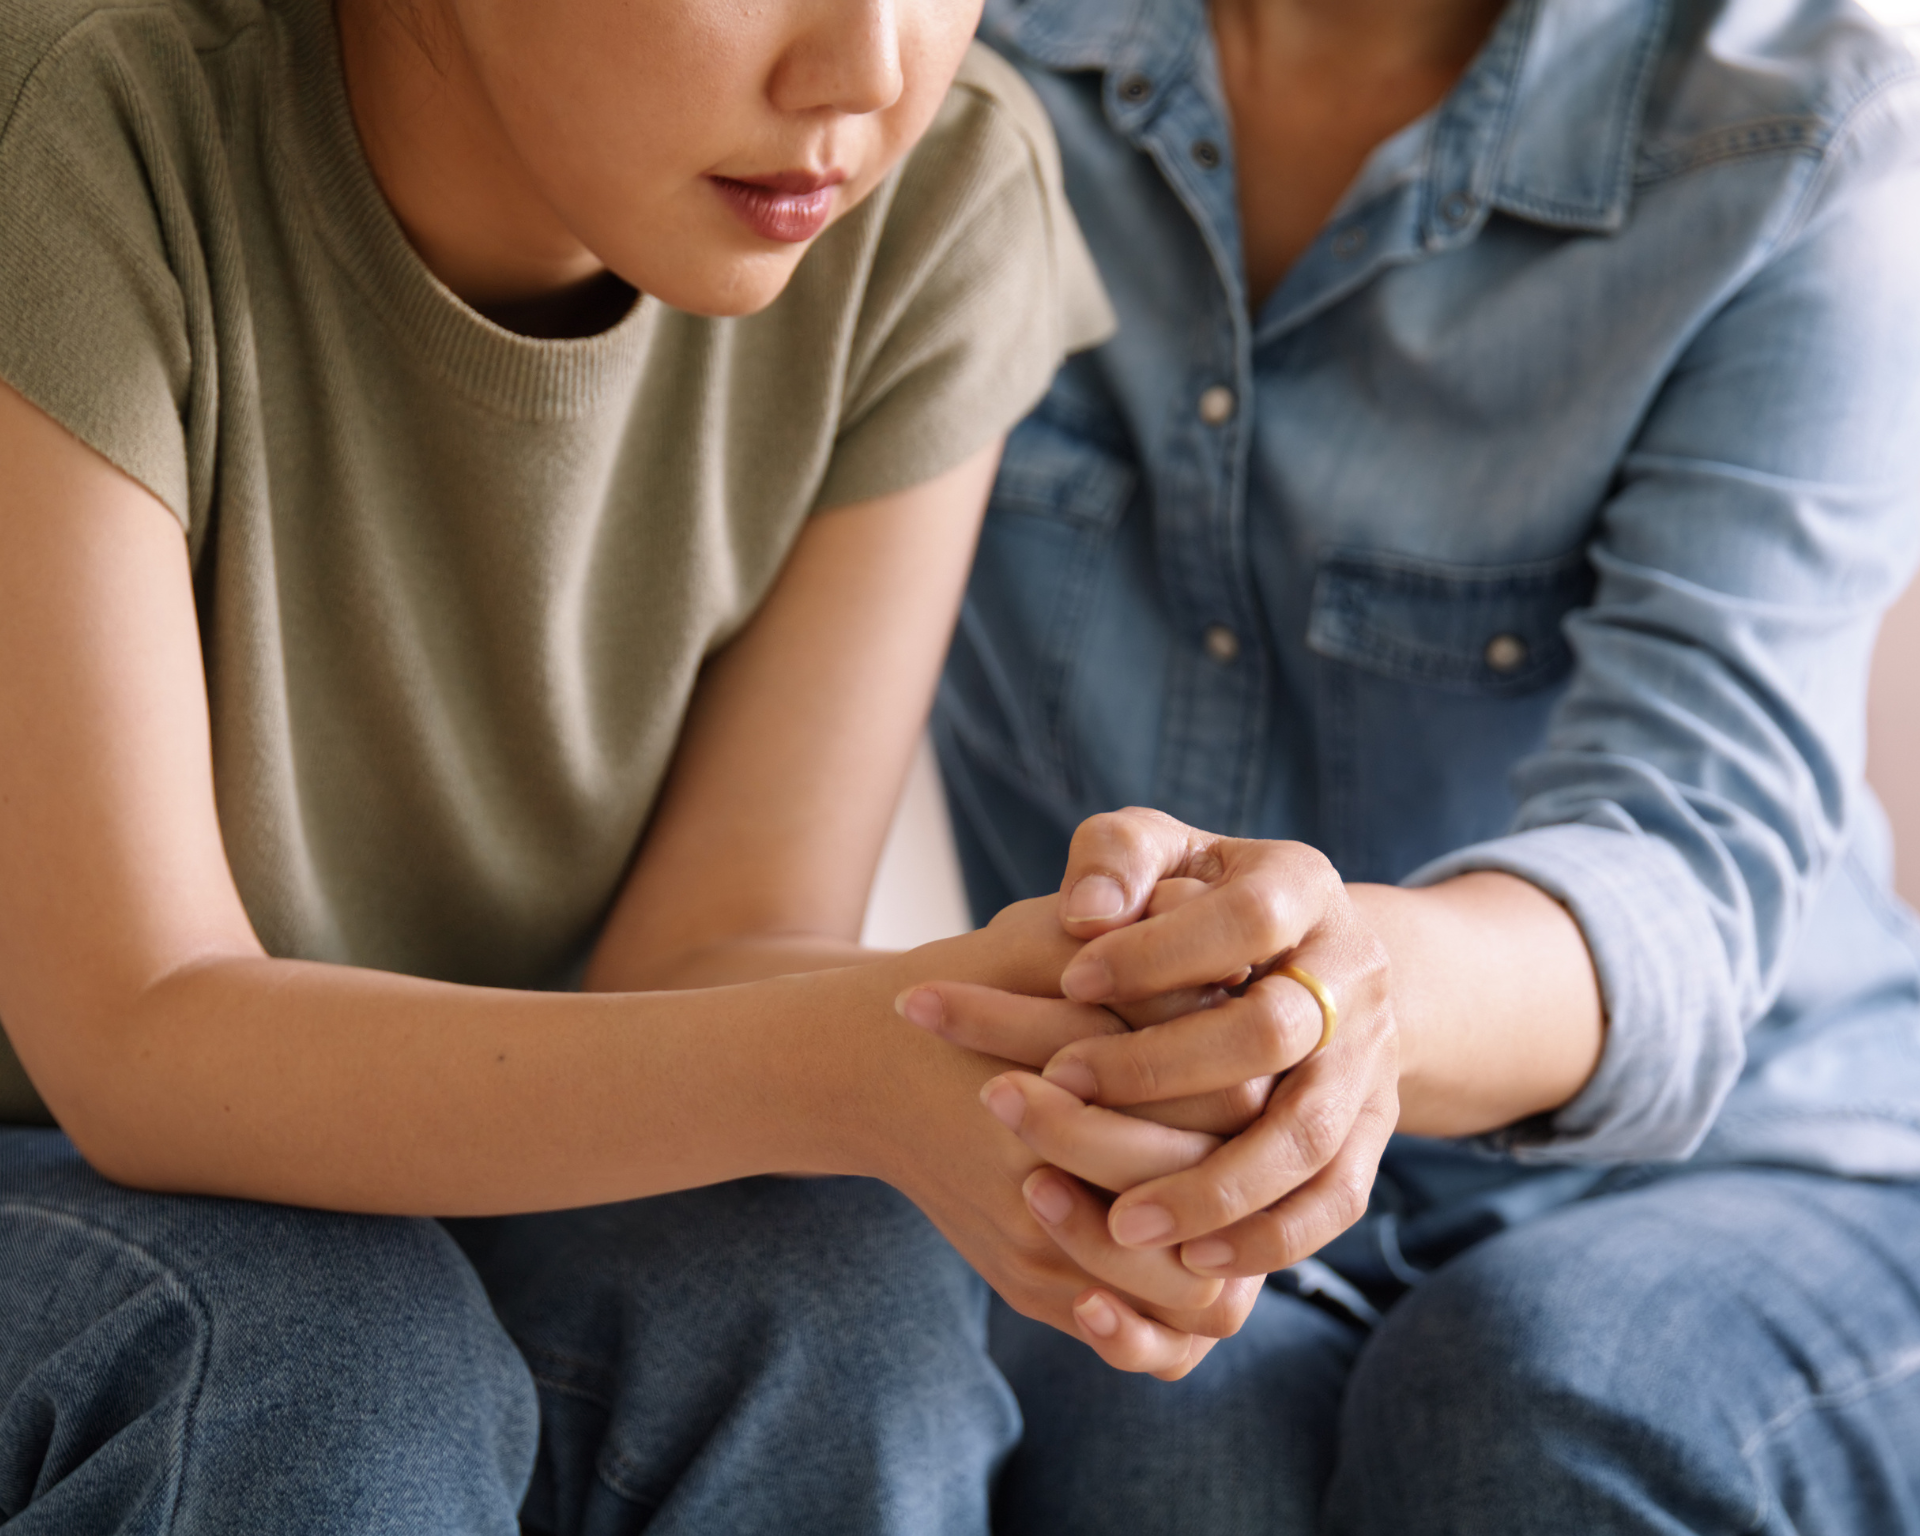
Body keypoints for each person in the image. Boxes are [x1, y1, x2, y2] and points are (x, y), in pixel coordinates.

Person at [0, 0, 1272, 1531]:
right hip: (43, 1148)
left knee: (836, 1303)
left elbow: (712, 946)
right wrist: (845, 1065)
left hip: (488, 1154)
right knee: (309, 1360)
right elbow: (136, 1040)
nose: (869, 69)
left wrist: (1048, 1033)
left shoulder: (934, 188)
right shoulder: (84, 115)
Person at [908, 0, 1920, 1528]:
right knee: (1160, 1459)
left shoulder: (1800, 136)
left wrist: (1341, 991)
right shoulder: (943, 57)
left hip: (1756, 1158)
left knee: (1538, 1400)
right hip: (1166, 1172)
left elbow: (1689, 856)